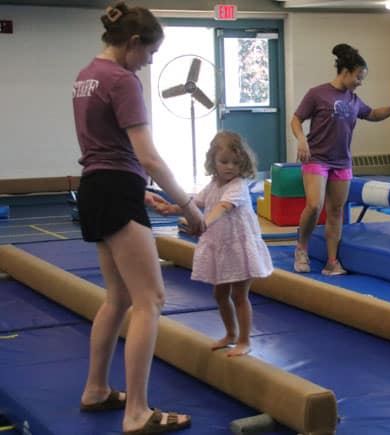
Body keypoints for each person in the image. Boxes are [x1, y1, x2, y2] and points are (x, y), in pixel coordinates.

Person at [72, 2, 202, 434]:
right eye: (149, 52)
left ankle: (95, 391)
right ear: (132, 43)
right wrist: (188, 205)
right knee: (152, 299)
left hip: (94, 187)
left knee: (118, 297)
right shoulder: (122, 80)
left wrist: (134, 187)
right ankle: (137, 413)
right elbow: (148, 155)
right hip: (112, 190)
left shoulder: (86, 75)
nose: (150, 61)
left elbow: (110, 151)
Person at [160, 131, 273, 357]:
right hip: (222, 247)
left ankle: (244, 340)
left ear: (243, 163)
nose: (230, 167)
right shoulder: (213, 184)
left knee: (239, 295)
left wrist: (203, 222)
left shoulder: (238, 185)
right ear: (213, 162)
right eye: (224, 162)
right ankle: (230, 334)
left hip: (240, 248)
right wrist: (173, 208)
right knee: (219, 295)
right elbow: (195, 202)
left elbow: (223, 207)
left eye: (235, 162)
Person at [291, 43, 390, 276]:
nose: (360, 82)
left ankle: (331, 262)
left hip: (342, 162)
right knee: (314, 205)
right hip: (316, 157)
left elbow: (372, 114)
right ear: (345, 72)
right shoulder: (317, 93)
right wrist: (301, 140)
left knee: (336, 211)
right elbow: (296, 119)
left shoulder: (354, 100)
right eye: (358, 77)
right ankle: (301, 249)